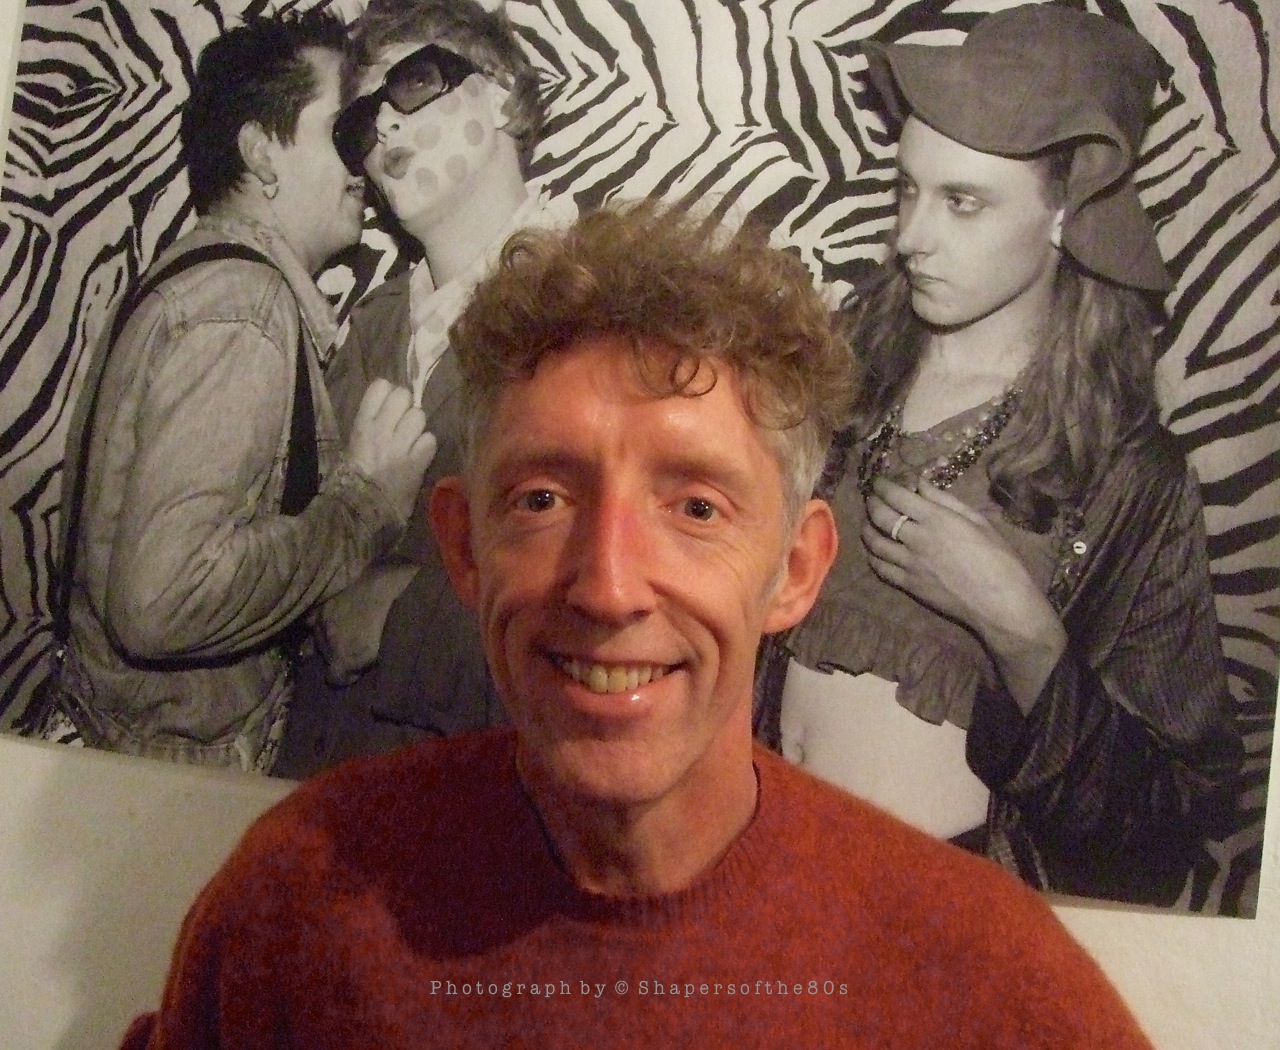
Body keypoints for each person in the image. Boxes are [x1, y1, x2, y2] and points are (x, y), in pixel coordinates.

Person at [121, 200, 1156, 1048]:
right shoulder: (300, 901)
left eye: (695, 508)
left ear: (795, 570)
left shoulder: (983, 983)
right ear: (465, 549)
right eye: (541, 499)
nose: (609, 588)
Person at [755, 4, 1242, 907]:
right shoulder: (835, 379)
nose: (911, 236)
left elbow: (1173, 823)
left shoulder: (1128, 477)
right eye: (907, 190)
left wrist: (1021, 630)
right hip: (764, 882)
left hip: (938, 926)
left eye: (963, 202)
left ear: (1065, 213)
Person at [31, 11, 435, 771]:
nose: (364, 157)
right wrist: (364, 505)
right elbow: (163, 601)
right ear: (261, 152)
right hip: (167, 785)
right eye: (341, 129)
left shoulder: (200, 283)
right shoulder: (241, 309)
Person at [275, 0, 575, 775]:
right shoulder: (366, 331)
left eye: (412, 84)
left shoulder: (596, 311)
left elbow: (615, 617)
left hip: (482, 809)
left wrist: (405, 620)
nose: (382, 127)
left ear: (500, 95)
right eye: (360, 122)